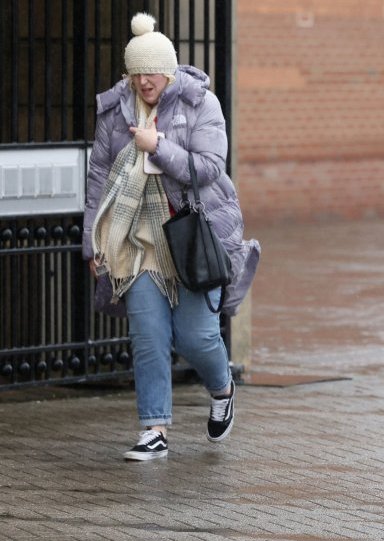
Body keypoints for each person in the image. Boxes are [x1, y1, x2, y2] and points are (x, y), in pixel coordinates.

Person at [82, 13, 260, 461]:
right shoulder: (114, 109)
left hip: (189, 236)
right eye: (136, 72)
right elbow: (99, 174)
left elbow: (210, 167)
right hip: (136, 239)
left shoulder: (200, 103)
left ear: (169, 70)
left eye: (152, 72)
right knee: (148, 335)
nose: (144, 81)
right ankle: (154, 428)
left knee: (197, 338)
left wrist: (157, 146)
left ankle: (222, 388)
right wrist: (92, 241)